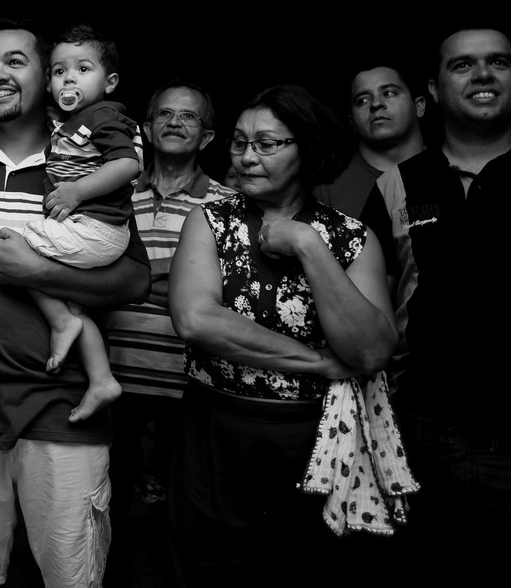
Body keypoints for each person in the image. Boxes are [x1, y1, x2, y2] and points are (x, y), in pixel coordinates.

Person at [0, 21, 150, 588]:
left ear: (48, 77)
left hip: (64, 409)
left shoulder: (85, 158)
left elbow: (133, 281)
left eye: (15, 61)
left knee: (71, 579)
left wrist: (41, 272)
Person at [373, 28, 511, 580]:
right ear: (434, 90)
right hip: (418, 449)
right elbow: (368, 318)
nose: (483, 74)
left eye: (498, 62)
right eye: (462, 65)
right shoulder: (397, 185)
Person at [168, 84, 399, 584]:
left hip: (314, 434)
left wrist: (308, 245)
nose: (248, 157)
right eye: (239, 143)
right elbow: (196, 320)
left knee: (309, 567)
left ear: (309, 148)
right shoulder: (209, 221)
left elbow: (372, 349)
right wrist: (317, 362)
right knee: (211, 567)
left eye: (267, 143)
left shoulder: (350, 237)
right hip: (216, 428)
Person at [97, 78, 234, 586]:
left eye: (189, 116)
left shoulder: (227, 204)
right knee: (107, 512)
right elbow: (90, 278)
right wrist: (170, 283)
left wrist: (133, 281)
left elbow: (220, 299)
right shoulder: (112, 193)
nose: (175, 123)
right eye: (165, 115)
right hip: (113, 384)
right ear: (147, 129)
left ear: (208, 137)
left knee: (186, 518)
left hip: (189, 390)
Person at [9, 24, 139, 424]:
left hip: (98, 228)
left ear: (110, 81)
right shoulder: (70, 124)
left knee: (15, 246)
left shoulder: (104, 116)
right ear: (49, 83)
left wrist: (78, 192)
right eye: (60, 71)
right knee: (73, 303)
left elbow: (128, 163)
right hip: (91, 229)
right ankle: (101, 379)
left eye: (83, 69)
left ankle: (60, 322)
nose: (70, 78)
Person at [314, 63, 426, 218]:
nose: (376, 103)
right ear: (352, 121)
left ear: (419, 107)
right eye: (362, 100)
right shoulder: (326, 190)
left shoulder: (451, 170)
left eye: (389, 93)